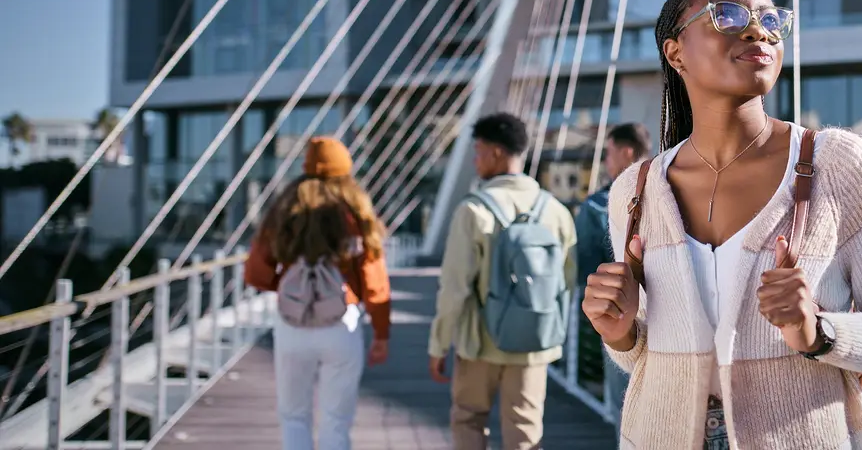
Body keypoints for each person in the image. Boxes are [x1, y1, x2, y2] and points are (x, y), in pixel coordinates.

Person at [581, 0, 862, 449]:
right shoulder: (636, 188)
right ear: (675, 52)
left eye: (771, 19)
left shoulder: (840, 164)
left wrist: (818, 331)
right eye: (727, 15)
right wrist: (621, 332)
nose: (757, 29)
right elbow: (643, 353)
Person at [429, 112, 578, 450]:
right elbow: (565, 284)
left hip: (478, 343)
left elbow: (454, 288)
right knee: (525, 431)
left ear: (496, 152)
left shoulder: (473, 211)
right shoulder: (556, 212)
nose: (475, 159)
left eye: (478, 150)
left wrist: (439, 344)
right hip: (531, 343)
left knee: (468, 420)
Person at [244, 136, 392, 450]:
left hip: (292, 324)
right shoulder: (355, 211)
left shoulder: (285, 207)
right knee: (336, 420)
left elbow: (256, 272)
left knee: (294, 416)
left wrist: (287, 286)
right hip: (341, 323)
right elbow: (374, 280)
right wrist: (381, 333)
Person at [573, 123, 651, 437]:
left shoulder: (597, 205)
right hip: (672, 320)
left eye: (608, 152)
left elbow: (587, 268)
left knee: (624, 407)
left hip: (621, 316)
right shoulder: (670, 188)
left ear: (626, 152)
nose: (606, 161)